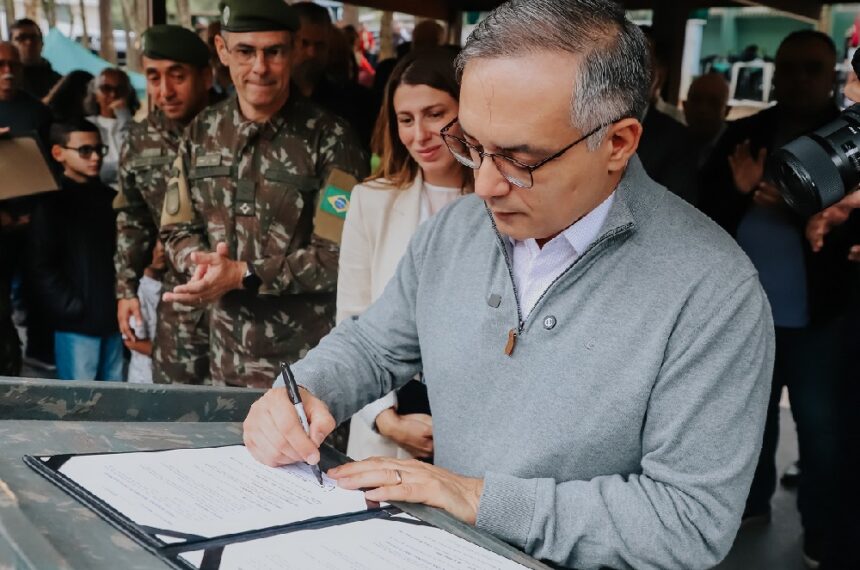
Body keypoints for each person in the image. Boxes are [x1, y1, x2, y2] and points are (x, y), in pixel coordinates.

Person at [242, 1, 774, 568]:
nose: (487, 184)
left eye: (520, 159)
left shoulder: (714, 290)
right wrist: (302, 391)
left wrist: (476, 498)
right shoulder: (455, 231)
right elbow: (375, 344)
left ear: (618, 142)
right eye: (471, 145)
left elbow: (687, 520)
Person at [699, 30, 855, 568]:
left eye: (813, 68)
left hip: (821, 316)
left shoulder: (848, 138)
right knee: (747, 420)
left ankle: (821, 532)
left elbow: (851, 237)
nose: (799, 78)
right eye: (789, 67)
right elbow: (701, 215)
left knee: (822, 431)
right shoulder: (747, 133)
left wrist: (797, 207)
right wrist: (740, 192)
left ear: (831, 71)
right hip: (747, 314)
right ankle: (749, 503)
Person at [160, 0, 368, 388]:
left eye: (273, 51)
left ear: (293, 51)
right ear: (222, 51)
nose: (260, 67)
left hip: (307, 367)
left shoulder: (332, 139)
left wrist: (245, 274)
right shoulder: (200, 133)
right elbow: (175, 228)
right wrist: (201, 265)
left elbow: (342, 255)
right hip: (223, 360)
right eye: (245, 51)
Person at [340, 48, 472, 461]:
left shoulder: (504, 201)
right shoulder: (370, 201)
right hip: (389, 418)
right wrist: (384, 419)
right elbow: (352, 321)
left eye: (435, 114)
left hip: (474, 424)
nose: (420, 135)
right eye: (406, 119)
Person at [114, 25, 217, 386]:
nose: (164, 91)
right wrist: (126, 289)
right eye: (154, 77)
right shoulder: (140, 141)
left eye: (177, 76)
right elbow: (132, 219)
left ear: (206, 76)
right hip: (177, 301)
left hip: (239, 299)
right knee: (178, 407)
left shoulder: (230, 128)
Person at [28, 120, 121, 381]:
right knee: (79, 407)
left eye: (99, 149)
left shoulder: (111, 199)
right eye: (84, 150)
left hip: (112, 320)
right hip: (76, 326)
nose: (95, 157)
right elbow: (40, 265)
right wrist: (70, 307)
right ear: (58, 153)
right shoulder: (49, 203)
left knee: (114, 404)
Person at [0, 41, 54, 371]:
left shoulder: (38, 112)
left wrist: (36, 217)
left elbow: (53, 168)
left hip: (36, 224)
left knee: (39, 297)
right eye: (0, 64)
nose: (7, 72)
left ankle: (38, 359)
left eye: (13, 65)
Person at [291, 2, 375, 151]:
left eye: (320, 45)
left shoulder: (353, 102)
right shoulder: (270, 96)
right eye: (304, 43)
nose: (312, 53)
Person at [637, 27, 699, 205]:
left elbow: (678, 208)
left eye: (642, 62)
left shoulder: (679, 140)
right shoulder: (582, 124)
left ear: (658, 74)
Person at [85, 68, 137, 189]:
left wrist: (124, 117)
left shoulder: (138, 128)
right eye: (106, 89)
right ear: (95, 94)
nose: (113, 95)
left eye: (120, 89)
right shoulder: (87, 126)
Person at [125, 241, 165, 384]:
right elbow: (131, 341)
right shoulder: (134, 291)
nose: (161, 251)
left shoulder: (171, 283)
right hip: (144, 377)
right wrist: (174, 354)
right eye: (156, 246)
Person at [683, 72, 730, 169]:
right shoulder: (670, 142)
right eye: (696, 100)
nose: (703, 109)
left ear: (727, 111)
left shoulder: (739, 153)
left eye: (714, 102)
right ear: (685, 106)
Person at [9, 19, 61, 99]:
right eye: (21, 38)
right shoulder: (6, 83)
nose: (29, 42)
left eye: (34, 38)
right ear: (11, 45)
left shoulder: (59, 83)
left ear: (42, 43)